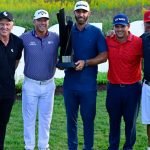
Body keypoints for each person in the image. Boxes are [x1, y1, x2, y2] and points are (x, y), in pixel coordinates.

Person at [63, 1, 107, 150]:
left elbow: (104, 55)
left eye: (84, 12)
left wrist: (86, 62)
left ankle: (88, 148)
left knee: (88, 121)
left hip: (88, 86)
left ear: (89, 13)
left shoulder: (95, 32)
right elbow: (60, 54)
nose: (81, 14)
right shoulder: (67, 31)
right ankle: (72, 148)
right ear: (74, 13)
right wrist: (61, 62)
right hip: (69, 85)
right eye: (78, 11)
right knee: (71, 121)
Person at [20, 9, 59, 150]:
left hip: (49, 85)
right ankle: (29, 147)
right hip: (30, 84)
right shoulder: (24, 38)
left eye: (45, 20)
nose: (43, 22)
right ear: (34, 21)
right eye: (40, 20)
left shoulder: (55, 37)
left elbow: (69, 45)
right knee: (29, 119)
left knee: (45, 119)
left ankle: (44, 146)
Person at [106, 13, 143, 150]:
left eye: (122, 26)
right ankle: (113, 147)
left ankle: (128, 147)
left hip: (132, 89)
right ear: (114, 27)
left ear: (128, 26)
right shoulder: (108, 40)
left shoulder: (138, 42)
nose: (119, 29)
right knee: (114, 122)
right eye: (117, 26)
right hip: (113, 88)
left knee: (130, 123)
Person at [0, 11, 23, 150]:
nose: (4, 27)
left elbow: (16, 61)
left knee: (2, 124)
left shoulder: (17, 42)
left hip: (8, 92)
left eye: (7, 24)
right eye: (1, 24)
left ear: (12, 25)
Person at [141, 10, 150, 150]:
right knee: (149, 121)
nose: (149, 26)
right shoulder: (141, 39)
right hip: (148, 85)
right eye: (148, 23)